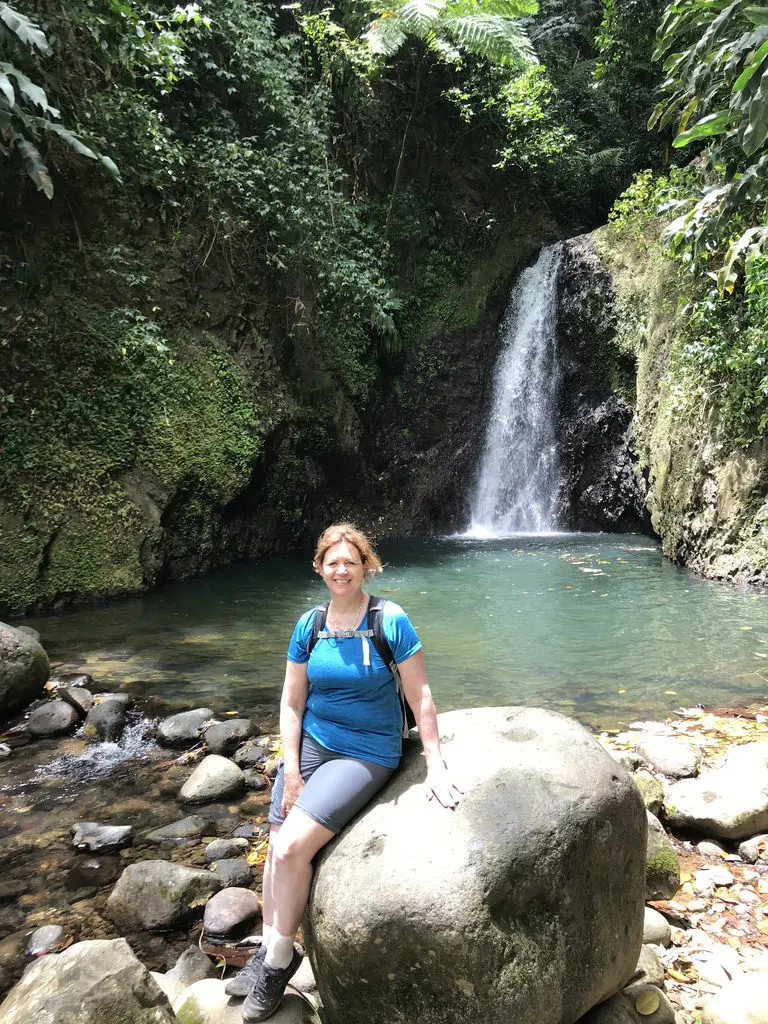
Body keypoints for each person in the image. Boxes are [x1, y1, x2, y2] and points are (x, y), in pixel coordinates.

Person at [226, 522, 461, 1022]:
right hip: (311, 744)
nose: (341, 570)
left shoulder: (389, 619)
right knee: (274, 848)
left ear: (365, 566)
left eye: (350, 562)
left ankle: (279, 964)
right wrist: (291, 769)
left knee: (292, 848)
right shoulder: (309, 625)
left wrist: (435, 765)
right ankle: (270, 948)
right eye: (332, 562)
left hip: (366, 751)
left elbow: (420, 696)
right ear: (320, 568)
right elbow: (291, 702)